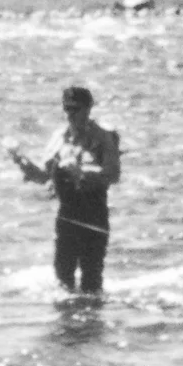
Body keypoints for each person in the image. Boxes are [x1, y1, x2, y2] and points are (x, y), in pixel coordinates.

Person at [16, 85, 121, 295]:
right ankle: (67, 324)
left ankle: (92, 324)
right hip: (67, 217)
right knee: (63, 280)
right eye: (67, 109)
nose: (71, 114)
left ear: (88, 108)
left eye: (76, 109)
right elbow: (44, 176)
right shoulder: (59, 138)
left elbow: (113, 175)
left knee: (91, 281)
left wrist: (82, 172)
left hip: (94, 217)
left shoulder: (103, 138)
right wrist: (24, 164)